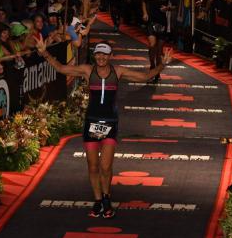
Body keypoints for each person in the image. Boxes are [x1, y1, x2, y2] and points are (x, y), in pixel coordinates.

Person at [35, 39, 173, 218]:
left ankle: (107, 199)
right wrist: (44, 53)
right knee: (93, 166)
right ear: (94, 55)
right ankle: (98, 200)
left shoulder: (118, 71)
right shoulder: (87, 70)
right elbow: (61, 68)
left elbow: (144, 77)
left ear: (110, 56)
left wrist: (162, 64)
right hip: (91, 122)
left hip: (110, 123)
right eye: (98, 54)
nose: (101, 57)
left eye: (105, 54)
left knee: (106, 166)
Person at [142, 0, 174, 83]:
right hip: (151, 21)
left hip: (162, 22)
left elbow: (174, 6)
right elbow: (144, 2)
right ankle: (152, 66)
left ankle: (157, 71)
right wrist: (145, 13)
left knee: (159, 49)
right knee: (152, 45)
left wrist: (167, 8)